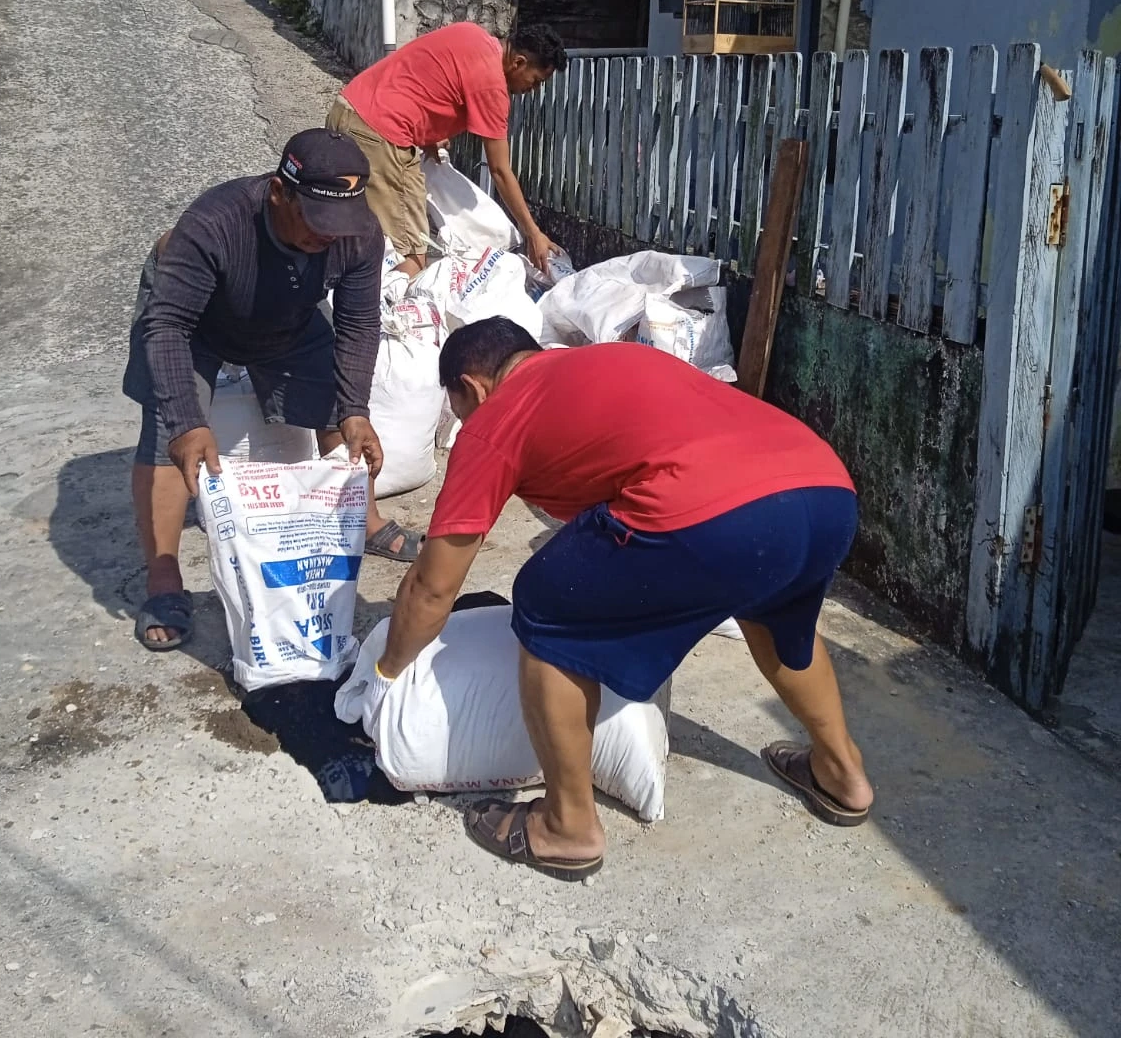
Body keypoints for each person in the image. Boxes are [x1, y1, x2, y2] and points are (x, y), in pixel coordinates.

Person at [369, 319, 873, 881]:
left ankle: (566, 828)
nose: (465, 422)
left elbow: (433, 585)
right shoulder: (605, 362)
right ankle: (842, 773)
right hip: (824, 491)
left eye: (459, 408)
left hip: (716, 511)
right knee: (773, 612)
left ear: (474, 386)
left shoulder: (497, 417)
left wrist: (387, 671)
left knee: (547, 601)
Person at [123, 129, 410, 653]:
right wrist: (190, 422)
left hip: (288, 315)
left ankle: (363, 521)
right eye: (317, 222)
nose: (330, 236)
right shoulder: (215, 223)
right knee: (167, 426)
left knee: (335, 401)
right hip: (195, 321)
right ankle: (163, 578)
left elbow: (359, 324)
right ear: (280, 192)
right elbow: (167, 326)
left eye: (340, 225)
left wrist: (355, 410)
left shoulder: (358, 233)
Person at [327, 22, 567, 277]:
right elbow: (499, 170)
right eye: (537, 80)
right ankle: (380, 312)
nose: (533, 90)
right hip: (379, 135)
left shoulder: (471, 33)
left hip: (347, 110)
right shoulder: (492, 87)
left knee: (347, 224)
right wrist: (533, 232)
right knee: (410, 254)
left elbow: (422, 78)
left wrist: (427, 136)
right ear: (518, 62)